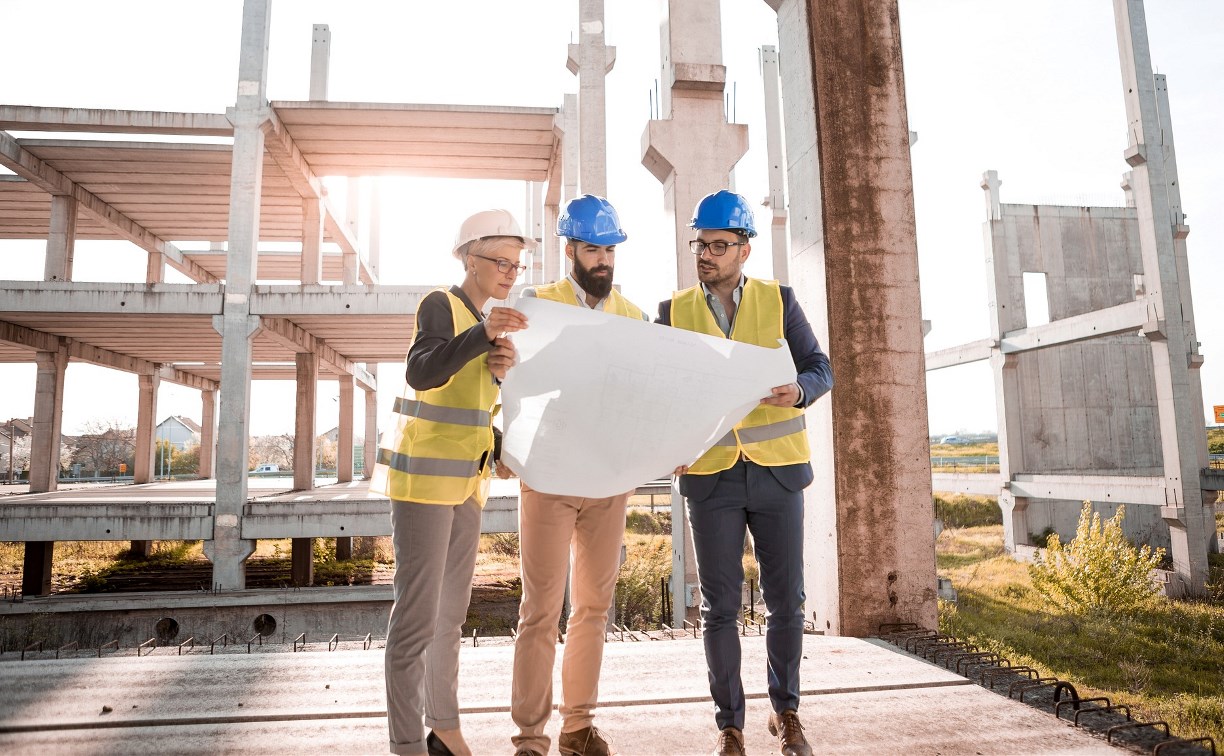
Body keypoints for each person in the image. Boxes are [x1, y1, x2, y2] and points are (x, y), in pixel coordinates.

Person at [656, 190, 833, 756]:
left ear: (744, 249)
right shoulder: (674, 311)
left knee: (787, 601)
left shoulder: (779, 301)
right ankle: (729, 725)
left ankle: (787, 713)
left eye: (718, 244)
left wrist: (799, 390)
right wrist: (668, 444)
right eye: (699, 244)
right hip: (711, 478)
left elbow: (820, 367)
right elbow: (658, 391)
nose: (705, 254)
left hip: (777, 473)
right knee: (720, 608)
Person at [372, 208, 534, 756]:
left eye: (517, 263)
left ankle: (443, 726)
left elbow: (470, 408)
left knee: (449, 615)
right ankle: (406, 744)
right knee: (415, 619)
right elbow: (422, 371)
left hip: (467, 486)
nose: (510, 271)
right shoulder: (440, 304)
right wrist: (482, 337)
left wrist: (495, 371)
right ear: (469, 257)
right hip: (423, 487)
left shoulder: (485, 321)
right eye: (500, 261)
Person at [509, 195, 648, 756]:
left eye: (610, 249)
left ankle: (578, 727)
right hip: (548, 475)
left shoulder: (635, 318)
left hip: (608, 480)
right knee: (540, 609)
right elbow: (510, 381)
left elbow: (645, 398)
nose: (603, 260)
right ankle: (530, 737)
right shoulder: (537, 305)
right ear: (570, 249)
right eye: (593, 248)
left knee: (592, 607)